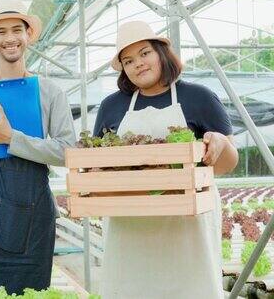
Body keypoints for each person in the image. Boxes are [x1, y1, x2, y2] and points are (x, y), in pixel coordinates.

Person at [94, 20, 239, 298]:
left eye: (145, 53)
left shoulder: (199, 97)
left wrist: (219, 143)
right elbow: (100, 163)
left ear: (161, 53)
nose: (138, 63)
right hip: (129, 225)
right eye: (128, 60)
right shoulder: (111, 106)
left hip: (187, 226)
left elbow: (227, 164)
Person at [0, 0, 76, 295]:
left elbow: (68, 151)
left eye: (17, 30)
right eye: (2, 32)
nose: (10, 38)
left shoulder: (50, 91)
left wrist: (12, 139)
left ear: (28, 35)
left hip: (33, 216)